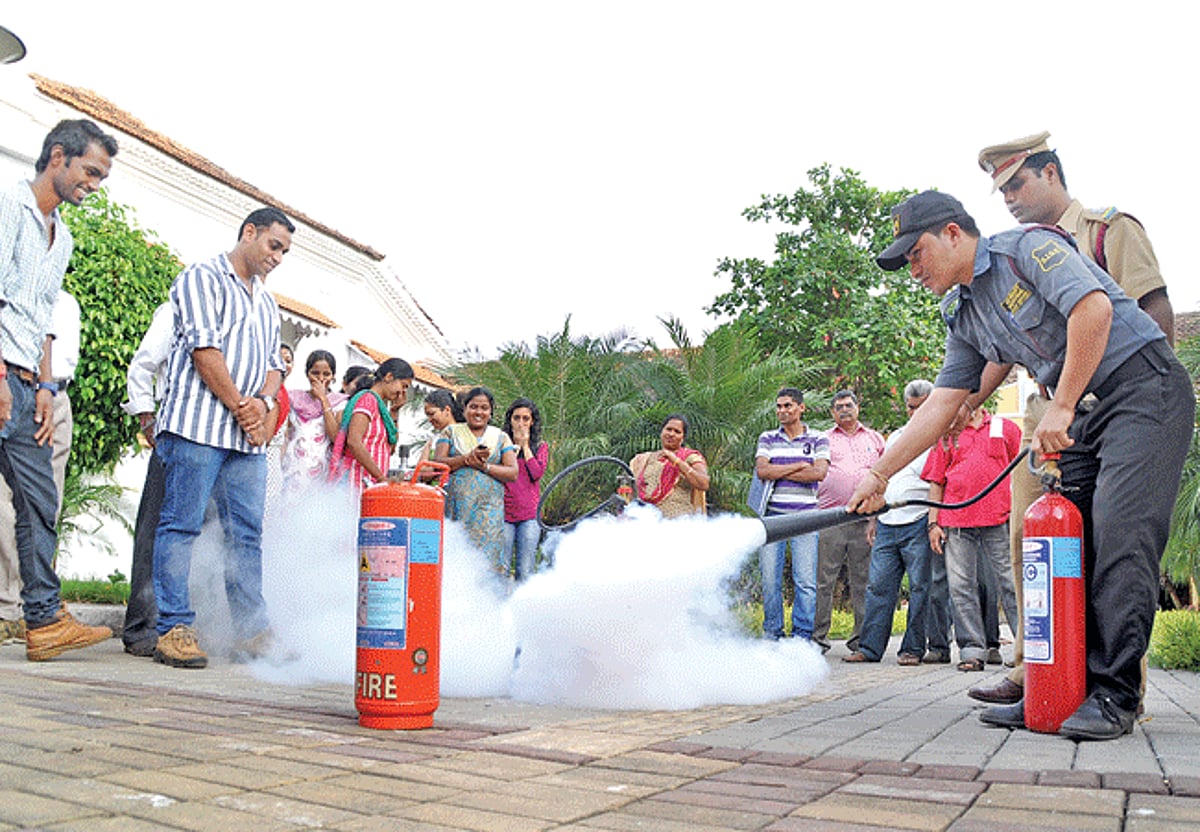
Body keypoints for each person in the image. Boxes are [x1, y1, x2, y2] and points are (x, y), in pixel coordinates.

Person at [853, 190, 1193, 741]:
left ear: (954, 234)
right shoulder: (961, 312)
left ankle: (1115, 696)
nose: (911, 269)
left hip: (1142, 388)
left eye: (915, 253)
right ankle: (1058, 690)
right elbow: (945, 400)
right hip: (1083, 409)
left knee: (1118, 538)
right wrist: (879, 474)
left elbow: (1094, 308)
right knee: (1064, 551)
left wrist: (1059, 406)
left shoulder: (1026, 250)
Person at [971, 131, 1177, 708]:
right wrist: (967, 402)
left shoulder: (1110, 230)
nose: (1009, 198)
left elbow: (1154, 314)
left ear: (1053, 174)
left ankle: (1116, 684)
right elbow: (1000, 348)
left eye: (1018, 183)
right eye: (1002, 190)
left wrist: (1137, 404)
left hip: (1120, 401)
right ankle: (1035, 669)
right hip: (1049, 412)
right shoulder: (1012, 253)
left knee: (1112, 538)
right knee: (1031, 537)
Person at [151, 206, 293, 669]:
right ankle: (173, 628)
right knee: (181, 526)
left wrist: (265, 405)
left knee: (246, 535)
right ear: (248, 233)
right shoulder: (201, 278)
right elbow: (202, 350)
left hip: (245, 439)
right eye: (273, 246)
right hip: (196, 427)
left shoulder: (267, 301)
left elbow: (275, 365)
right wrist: (242, 406)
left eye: (284, 252)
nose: (277, 258)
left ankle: (251, 631)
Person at [1, 119, 117, 660]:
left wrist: (45, 385)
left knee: (40, 500)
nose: (94, 184)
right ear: (57, 156)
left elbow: (42, 316)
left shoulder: (61, 235)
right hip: (2, 375)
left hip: (29, 388)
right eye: (90, 171)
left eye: (102, 176)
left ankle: (44, 621)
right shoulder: (8, 208)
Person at [921, 406, 1022, 672]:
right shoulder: (947, 435)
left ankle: (1026, 649)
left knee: (1011, 582)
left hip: (998, 518)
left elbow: (1021, 467)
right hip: (956, 521)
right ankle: (971, 651)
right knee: (961, 587)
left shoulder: (1003, 427)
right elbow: (936, 481)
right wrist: (934, 522)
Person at [843, 380, 934, 665]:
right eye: (911, 408)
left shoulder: (938, 438)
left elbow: (937, 483)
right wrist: (873, 520)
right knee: (878, 586)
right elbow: (882, 478)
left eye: (922, 408)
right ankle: (869, 648)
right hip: (888, 521)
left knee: (920, 588)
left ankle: (912, 649)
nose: (915, 413)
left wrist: (934, 522)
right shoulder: (896, 437)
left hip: (919, 520)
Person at [751, 388, 829, 641]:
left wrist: (778, 469)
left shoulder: (818, 439)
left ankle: (802, 636)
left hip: (806, 517)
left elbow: (818, 474)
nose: (782, 411)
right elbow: (762, 471)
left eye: (788, 406)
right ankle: (772, 633)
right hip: (772, 516)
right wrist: (798, 466)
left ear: (801, 408)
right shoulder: (768, 438)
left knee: (805, 581)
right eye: (779, 406)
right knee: (770, 580)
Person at [119, 302, 173, 656]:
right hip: (174, 434)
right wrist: (145, 415)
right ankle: (142, 627)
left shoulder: (249, 312)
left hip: (223, 441)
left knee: (208, 537)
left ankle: (183, 625)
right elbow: (143, 365)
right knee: (155, 530)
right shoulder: (176, 309)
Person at [814, 390, 884, 652]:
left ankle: (860, 640)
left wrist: (875, 519)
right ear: (832, 413)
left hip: (864, 520)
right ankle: (818, 639)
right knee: (824, 580)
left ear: (858, 407)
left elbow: (884, 477)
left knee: (863, 580)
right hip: (830, 518)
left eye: (848, 405)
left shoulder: (875, 438)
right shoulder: (824, 439)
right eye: (838, 407)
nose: (844, 410)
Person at [435, 386, 518, 572]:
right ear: (464, 409)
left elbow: (512, 472)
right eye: (473, 407)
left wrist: (485, 467)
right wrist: (465, 459)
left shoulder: (501, 437)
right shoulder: (450, 432)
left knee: (486, 564)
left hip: (488, 513)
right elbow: (438, 464)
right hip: (458, 511)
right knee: (455, 560)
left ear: (491, 412)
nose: (478, 412)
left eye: (484, 408)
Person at [328, 357, 413, 490]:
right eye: (403, 386)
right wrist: (380, 478)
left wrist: (395, 411)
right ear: (389, 377)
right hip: (356, 482)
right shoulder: (368, 400)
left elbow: (390, 449)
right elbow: (354, 441)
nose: (402, 392)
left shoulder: (381, 408)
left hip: (369, 484)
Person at [281, 349, 346, 497]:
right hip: (292, 469)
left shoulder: (339, 402)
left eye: (326, 374)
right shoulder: (293, 398)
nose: (321, 378)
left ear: (333, 376)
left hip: (322, 473)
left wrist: (323, 400)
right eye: (315, 373)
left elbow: (336, 437)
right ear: (307, 373)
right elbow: (285, 434)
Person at [502, 397, 549, 581]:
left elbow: (536, 473)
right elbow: (503, 470)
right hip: (504, 513)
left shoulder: (541, 446)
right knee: (502, 567)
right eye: (516, 418)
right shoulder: (501, 443)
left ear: (532, 422)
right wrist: (513, 448)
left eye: (525, 419)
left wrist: (526, 447)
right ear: (510, 420)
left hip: (529, 515)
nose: (521, 423)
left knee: (525, 569)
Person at [629, 414, 709, 519]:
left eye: (677, 432)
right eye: (668, 429)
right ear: (662, 432)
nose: (671, 434)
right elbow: (628, 490)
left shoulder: (691, 457)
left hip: (677, 523)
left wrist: (676, 461)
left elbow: (703, 483)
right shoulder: (642, 459)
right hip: (645, 520)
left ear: (683, 437)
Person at [263, 342, 294, 509]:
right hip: (265, 459)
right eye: (280, 360)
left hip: (274, 462)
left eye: (288, 361)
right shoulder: (273, 391)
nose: (285, 365)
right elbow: (266, 437)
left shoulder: (282, 391)